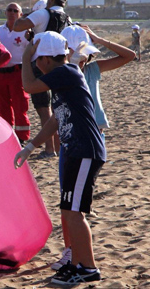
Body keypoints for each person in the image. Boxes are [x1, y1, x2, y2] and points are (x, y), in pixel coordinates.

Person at [15, 32, 106, 284]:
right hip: (76, 150)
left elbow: (29, 87)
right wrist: (31, 146)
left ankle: (88, 268)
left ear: (44, 59)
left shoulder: (65, 72)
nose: (35, 65)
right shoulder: (63, 79)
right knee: (68, 211)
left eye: (36, 60)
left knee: (75, 212)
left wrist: (24, 58)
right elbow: (56, 119)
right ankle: (77, 262)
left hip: (84, 150)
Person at [51, 24, 135, 270]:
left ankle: (77, 255)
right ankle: (70, 251)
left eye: (87, 52)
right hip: (70, 139)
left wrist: (100, 39)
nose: (85, 57)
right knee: (67, 201)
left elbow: (129, 56)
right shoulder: (62, 74)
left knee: (75, 204)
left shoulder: (94, 69)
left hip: (89, 140)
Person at [12, 0, 71, 157]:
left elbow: (17, 26)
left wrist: (30, 16)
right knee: (59, 106)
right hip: (60, 62)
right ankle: (60, 148)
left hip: (41, 63)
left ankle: (49, 148)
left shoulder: (43, 13)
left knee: (44, 108)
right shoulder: (67, 17)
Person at [0, 2, 30, 143]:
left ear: (20, 14)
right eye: (9, 10)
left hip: (17, 72)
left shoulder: (25, 31)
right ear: (5, 12)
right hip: (0, 73)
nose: (12, 12)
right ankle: (6, 136)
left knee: (20, 105)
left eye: (15, 10)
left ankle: (22, 138)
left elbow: (30, 52)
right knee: (2, 106)